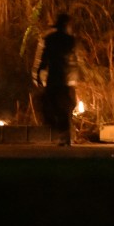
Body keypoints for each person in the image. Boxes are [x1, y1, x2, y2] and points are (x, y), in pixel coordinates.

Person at [33, 13, 81, 145]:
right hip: (66, 80)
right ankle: (65, 135)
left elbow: (42, 60)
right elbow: (76, 61)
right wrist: (76, 78)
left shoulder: (50, 39)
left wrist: (37, 75)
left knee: (54, 107)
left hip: (55, 79)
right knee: (64, 108)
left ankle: (64, 135)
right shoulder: (70, 40)